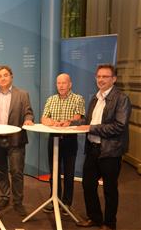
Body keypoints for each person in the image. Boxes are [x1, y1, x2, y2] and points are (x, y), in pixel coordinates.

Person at [75, 64, 131, 230]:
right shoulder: (95, 98)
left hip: (110, 152)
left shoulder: (122, 99)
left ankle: (109, 224)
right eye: (98, 76)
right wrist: (71, 123)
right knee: (88, 186)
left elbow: (119, 126)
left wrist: (91, 128)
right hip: (92, 149)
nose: (101, 80)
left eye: (105, 76)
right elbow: (88, 122)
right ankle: (95, 218)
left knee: (109, 190)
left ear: (113, 79)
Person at [0, 65, 34, 216]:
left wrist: (28, 120)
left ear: (11, 76)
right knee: (1, 170)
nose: (2, 78)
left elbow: (29, 113)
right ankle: (4, 197)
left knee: (16, 171)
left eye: (5, 75)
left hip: (16, 139)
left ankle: (18, 201)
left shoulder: (23, 94)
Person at [41, 73, 85, 214]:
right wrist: (54, 122)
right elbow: (44, 118)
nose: (61, 86)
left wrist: (67, 123)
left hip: (69, 140)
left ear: (70, 84)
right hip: (53, 138)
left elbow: (78, 117)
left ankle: (66, 202)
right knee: (54, 171)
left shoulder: (78, 98)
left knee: (69, 172)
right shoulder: (51, 99)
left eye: (64, 83)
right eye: (58, 83)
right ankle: (54, 198)